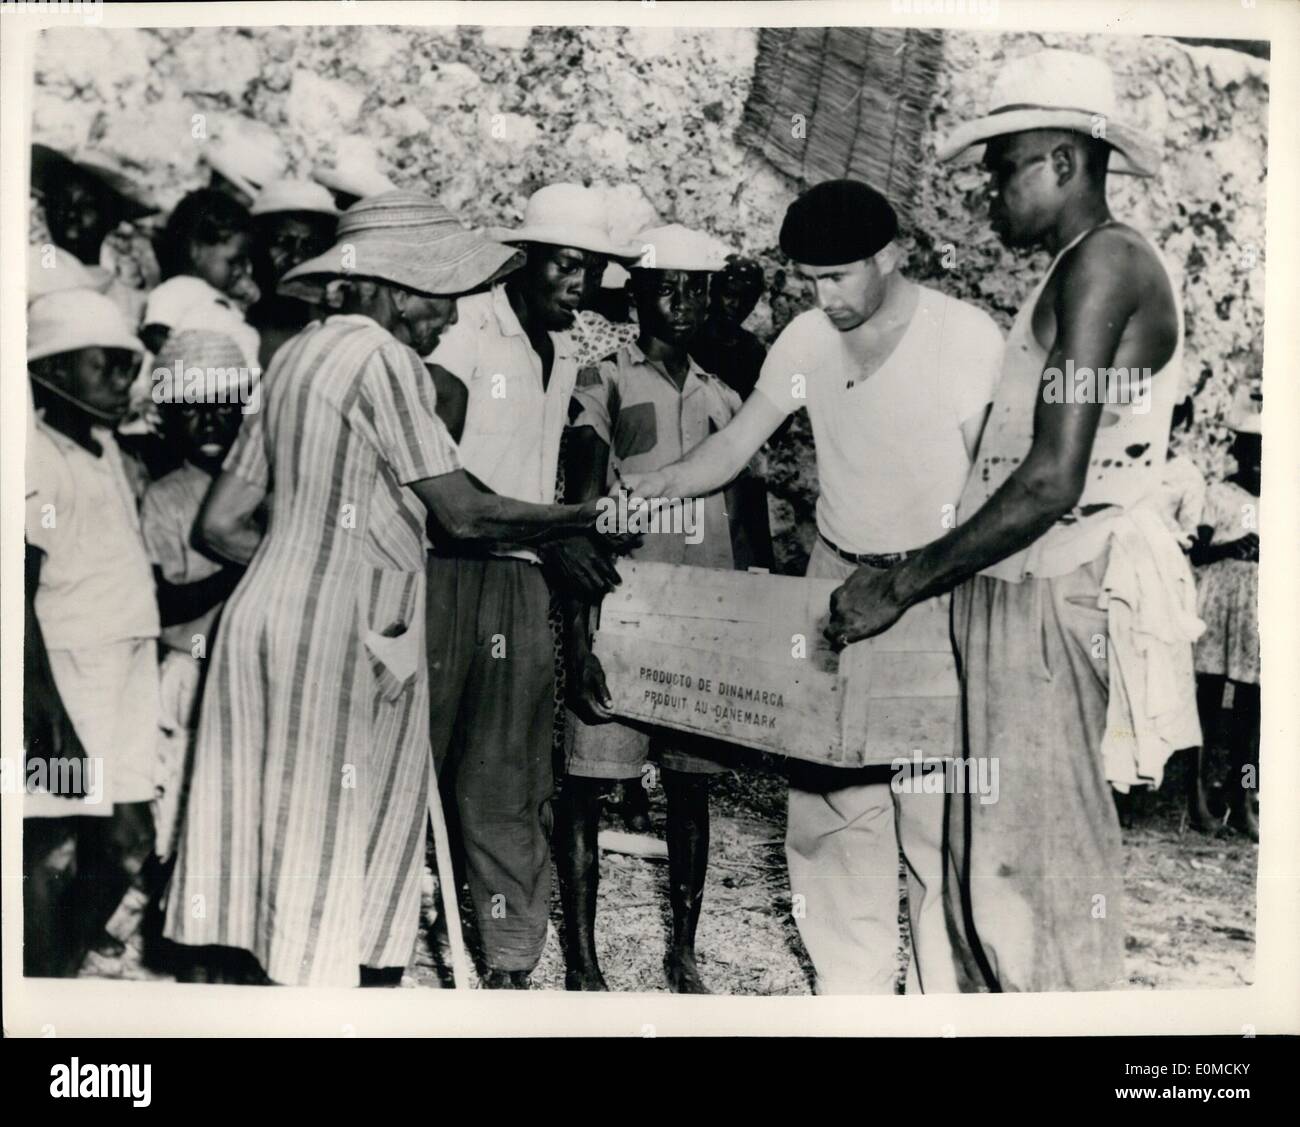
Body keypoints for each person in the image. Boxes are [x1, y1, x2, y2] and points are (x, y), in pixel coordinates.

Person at [814, 49, 1201, 992]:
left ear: (1065, 161)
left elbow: (1050, 481)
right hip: (1012, 591)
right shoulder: (1072, 270)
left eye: (1005, 163)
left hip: (1053, 588)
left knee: (1039, 884)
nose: (989, 187)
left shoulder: (1106, 264)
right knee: (988, 877)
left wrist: (898, 583)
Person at [161, 191, 619, 988]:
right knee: (336, 858)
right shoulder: (384, 360)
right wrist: (581, 516)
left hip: (260, 627)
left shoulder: (298, 353)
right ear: (399, 288)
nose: (447, 320)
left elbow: (221, 525)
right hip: (344, 642)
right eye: (441, 297)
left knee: (267, 846)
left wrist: (306, 564)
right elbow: (466, 516)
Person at [623, 181, 1004, 995]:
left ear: (890, 256)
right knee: (832, 809)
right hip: (835, 583)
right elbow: (733, 448)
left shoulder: (963, 338)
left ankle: (949, 1008)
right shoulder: (805, 338)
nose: (822, 297)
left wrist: (929, 582)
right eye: (808, 279)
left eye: (837, 277)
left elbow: (989, 487)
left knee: (937, 818)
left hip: (931, 586)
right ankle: (851, 1000)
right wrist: (651, 488)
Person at [423, 182, 641, 988]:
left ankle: (510, 965)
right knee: (418, 757)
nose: (579, 285)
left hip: (518, 582)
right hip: (444, 569)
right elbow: (437, 470)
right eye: (566, 266)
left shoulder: (565, 356)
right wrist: (564, 524)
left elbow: (535, 489)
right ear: (522, 257)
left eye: (592, 271)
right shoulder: (466, 329)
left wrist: (556, 537)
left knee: (510, 776)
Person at [559, 224, 758, 993]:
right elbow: (581, 509)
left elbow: (744, 529)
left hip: (699, 624)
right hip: (623, 616)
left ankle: (684, 951)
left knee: (690, 786)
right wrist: (579, 639)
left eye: (695, 286)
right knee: (587, 779)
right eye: (664, 285)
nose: (681, 300)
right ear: (635, 295)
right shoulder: (601, 381)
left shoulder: (727, 400)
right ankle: (582, 961)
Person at [24, 289, 160, 969]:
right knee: (54, 849)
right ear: (47, 372)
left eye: (127, 369)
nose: (120, 382)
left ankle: (62, 959)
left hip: (127, 665)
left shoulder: (105, 449)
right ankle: (41, 980)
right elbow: (12, 597)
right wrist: (43, 709)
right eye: (103, 366)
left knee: (131, 838)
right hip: (64, 672)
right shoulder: (33, 456)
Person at [1189, 384, 1261, 841]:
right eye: (1251, 448)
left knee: (1255, 707)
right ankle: (1197, 794)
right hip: (1219, 603)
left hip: (1261, 608)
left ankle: (1243, 794)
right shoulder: (1217, 494)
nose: (1258, 460)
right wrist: (1230, 547)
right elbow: (1195, 553)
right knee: (1210, 699)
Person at [31, 144, 158, 322]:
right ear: (46, 211)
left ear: (113, 217)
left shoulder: (131, 303)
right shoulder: (29, 274)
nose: (71, 213)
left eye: (87, 204)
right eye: (60, 202)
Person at [145, 189, 260, 367]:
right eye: (233, 261)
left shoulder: (215, 296)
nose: (239, 270)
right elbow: (156, 334)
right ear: (195, 250)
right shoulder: (178, 289)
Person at [245, 179, 340, 368]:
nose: (296, 259)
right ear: (259, 243)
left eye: (309, 246)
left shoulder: (329, 319)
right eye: (284, 242)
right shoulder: (239, 309)